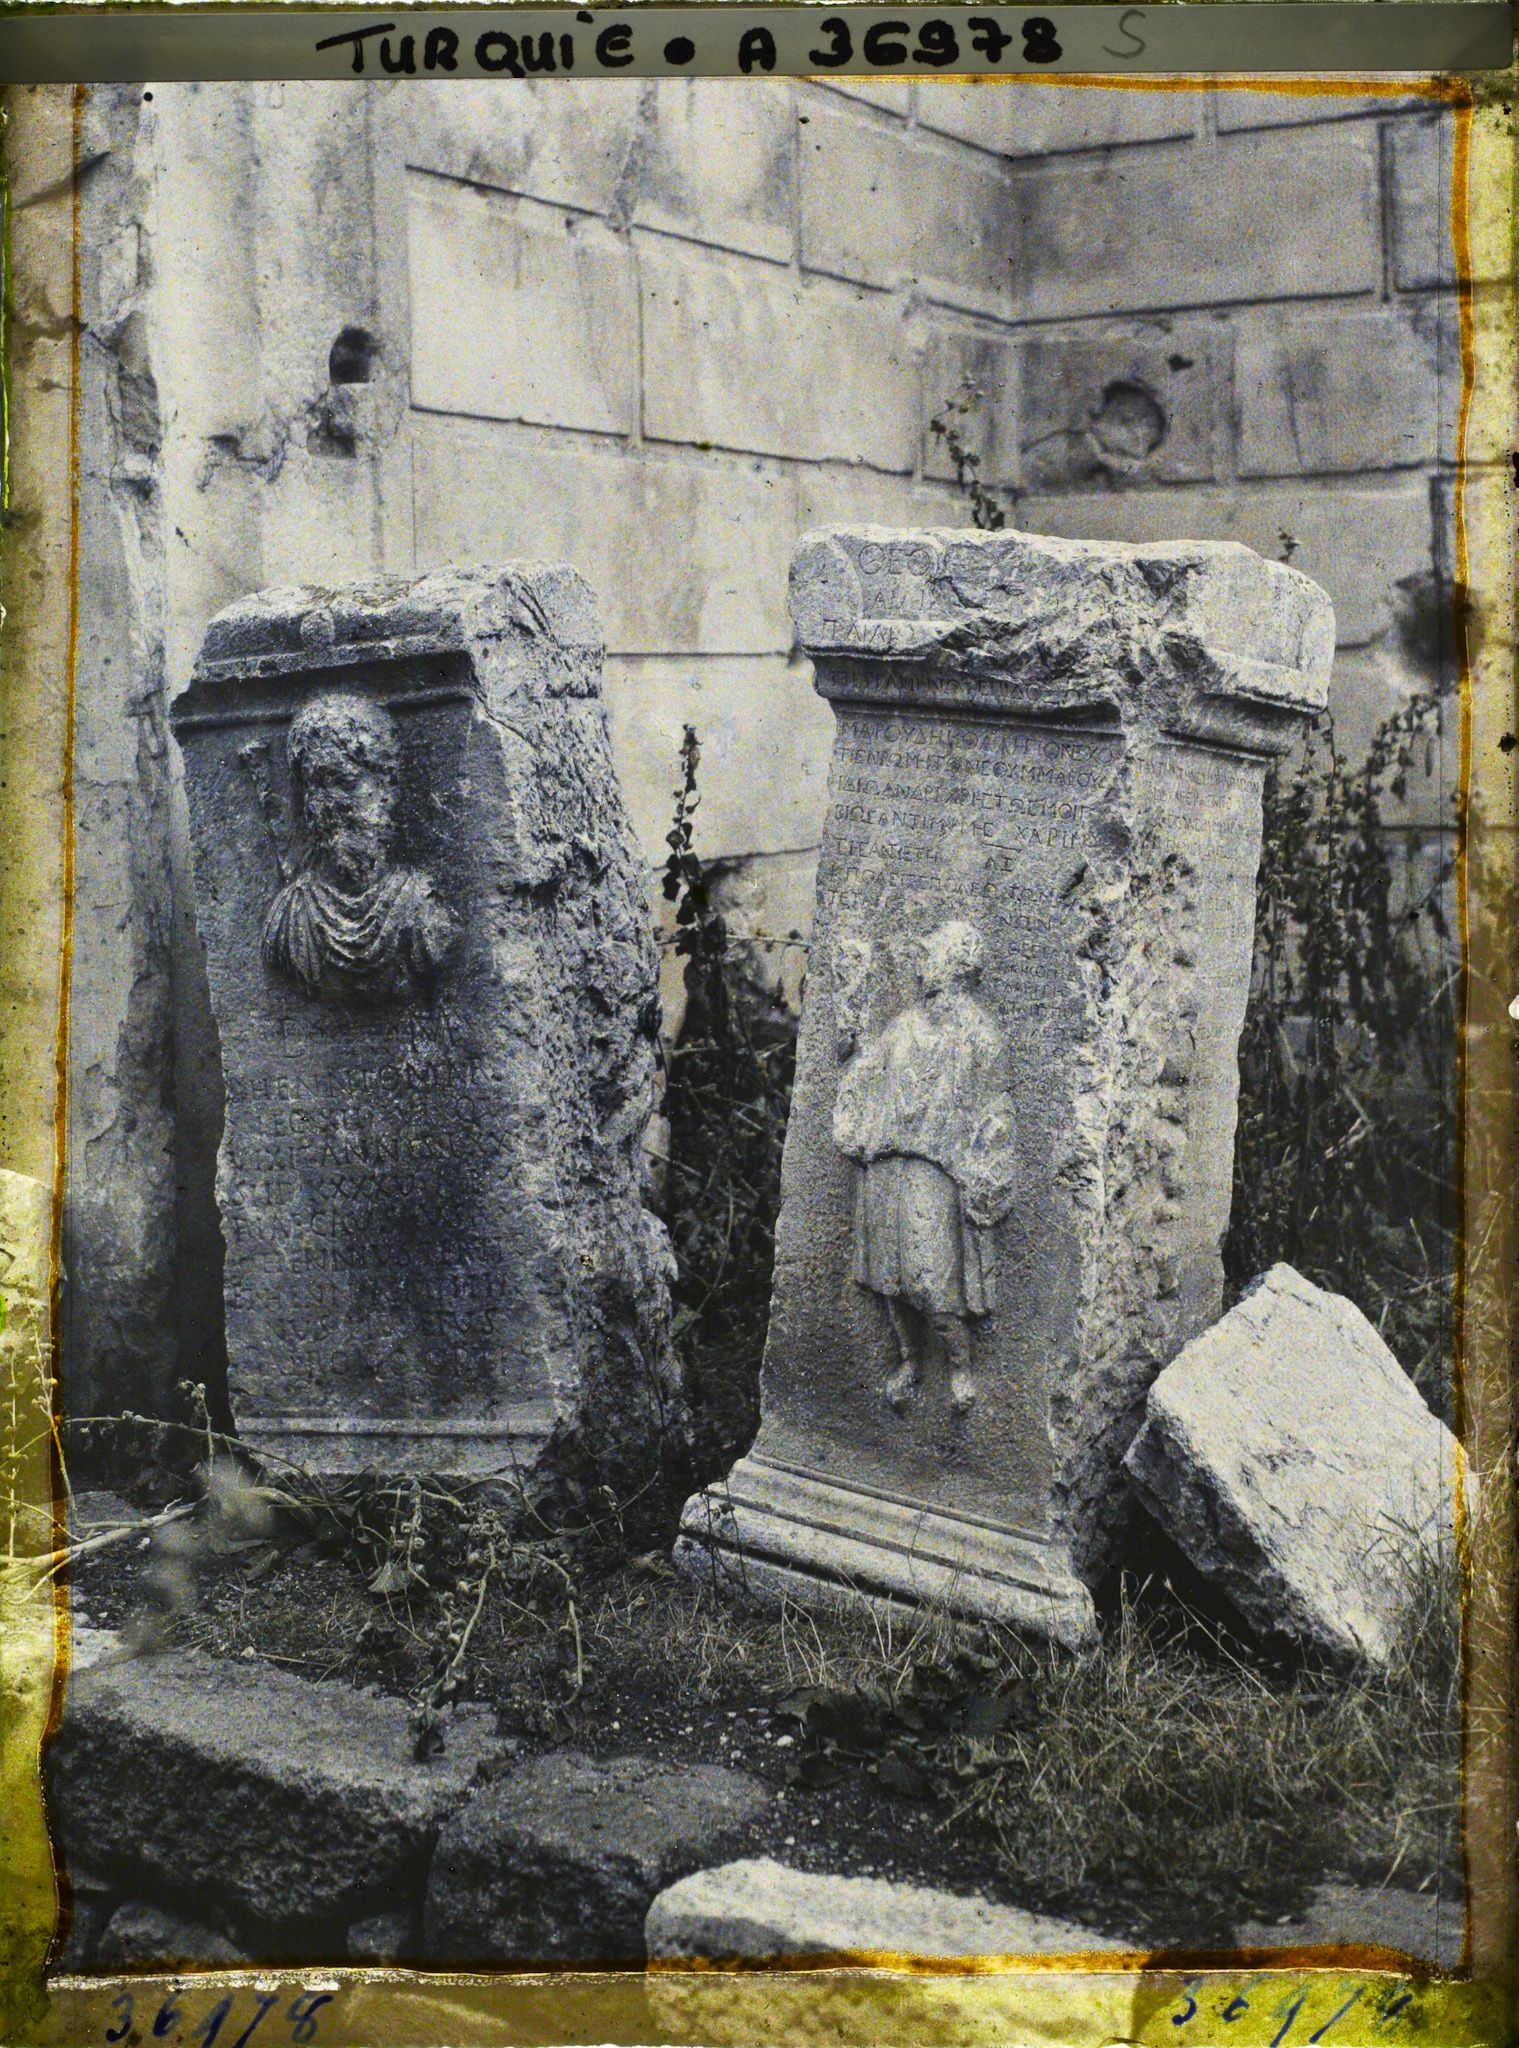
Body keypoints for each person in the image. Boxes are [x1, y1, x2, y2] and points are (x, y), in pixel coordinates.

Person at [831, 919, 1017, 1415]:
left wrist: (984, 1156)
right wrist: (850, 1030)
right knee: (888, 1275)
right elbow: (869, 1071)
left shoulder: (980, 1034)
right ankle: (910, 1360)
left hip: (936, 1169)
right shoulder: (905, 1024)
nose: (920, 965)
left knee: (930, 1278)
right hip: (888, 1163)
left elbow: (996, 1106)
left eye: (930, 955)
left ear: (956, 965)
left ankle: (960, 1365)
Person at [261, 691, 456, 1003]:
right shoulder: (290, 918)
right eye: (314, 785)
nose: (326, 804)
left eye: (343, 781)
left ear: (386, 788)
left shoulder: (424, 913)